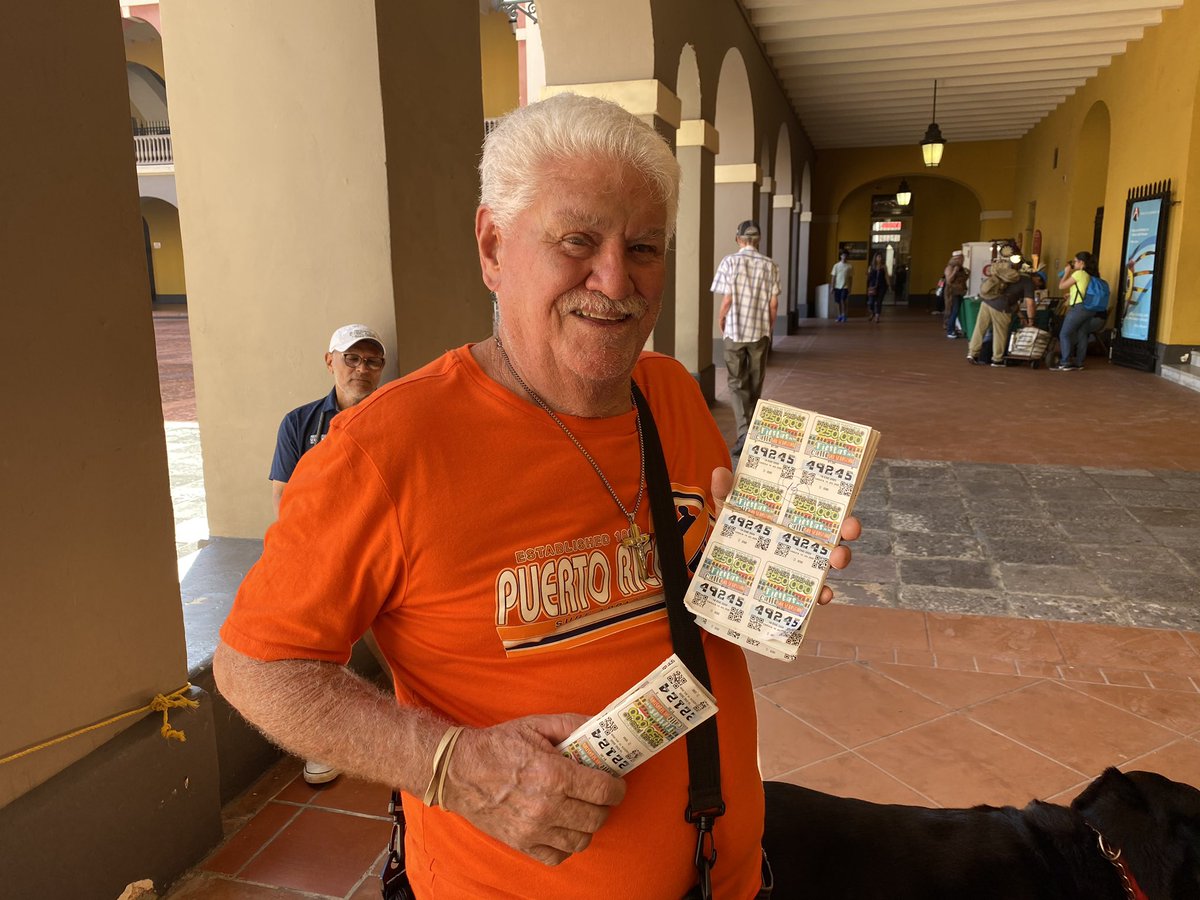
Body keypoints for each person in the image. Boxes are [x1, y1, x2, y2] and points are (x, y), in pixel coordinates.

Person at [214, 93, 859, 899]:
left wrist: (757, 576)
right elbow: (254, 665)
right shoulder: (385, 450)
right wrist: (446, 766)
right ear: (492, 245)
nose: (616, 281)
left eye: (645, 246)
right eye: (578, 241)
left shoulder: (670, 395)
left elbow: (680, 614)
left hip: (724, 877)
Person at [268, 322, 387, 784]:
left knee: (400, 632)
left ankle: (415, 705)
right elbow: (283, 498)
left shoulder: (393, 415)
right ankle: (322, 742)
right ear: (330, 361)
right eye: (352, 358)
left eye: (372, 360)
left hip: (380, 545)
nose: (361, 368)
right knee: (315, 642)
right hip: (319, 549)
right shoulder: (300, 423)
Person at [712, 219, 780, 456]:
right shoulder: (770, 265)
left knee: (735, 381)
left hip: (735, 330)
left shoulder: (730, 262)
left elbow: (728, 299)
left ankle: (744, 432)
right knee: (755, 380)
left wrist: (721, 320)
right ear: (758, 240)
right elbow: (773, 304)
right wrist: (768, 328)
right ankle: (751, 428)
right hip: (759, 331)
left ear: (738, 239)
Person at [967, 255, 1035, 367]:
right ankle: (997, 359)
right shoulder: (1027, 282)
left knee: (980, 328)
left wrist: (1020, 315)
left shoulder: (1008, 275)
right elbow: (1030, 303)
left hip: (987, 301)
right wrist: (1031, 320)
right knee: (1000, 332)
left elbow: (1012, 299)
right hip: (1001, 306)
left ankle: (972, 353)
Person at [1053, 250, 1103, 371]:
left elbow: (1061, 286)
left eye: (1075, 261)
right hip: (1089, 309)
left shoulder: (1079, 274)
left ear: (1081, 262)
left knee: (1064, 333)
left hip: (1078, 308)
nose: (1073, 264)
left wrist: (1066, 273)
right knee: (1082, 335)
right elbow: (1084, 291)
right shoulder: (1091, 275)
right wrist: (1070, 295)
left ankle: (1065, 362)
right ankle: (1079, 362)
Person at [943, 250, 968, 339]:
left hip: (960, 291)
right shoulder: (950, 268)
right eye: (961, 258)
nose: (962, 260)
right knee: (953, 311)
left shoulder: (961, 269)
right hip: (952, 292)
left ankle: (954, 328)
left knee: (957, 312)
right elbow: (949, 280)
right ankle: (950, 330)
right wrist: (955, 271)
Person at [830, 249, 853, 323]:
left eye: (846, 255)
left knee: (843, 300)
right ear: (840, 256)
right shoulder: (836, 266)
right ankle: (839, 315)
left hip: (845, 287)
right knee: (838, 302)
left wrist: (850, 287)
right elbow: (833, 277)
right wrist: (832, 287)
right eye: (843, 255)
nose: (844, 257)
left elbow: (850, 278)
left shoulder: (849, 266)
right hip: (837, 286)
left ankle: (844, 315)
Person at [865, 252, 888, 323]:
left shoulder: (884, 267)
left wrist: (889, 285)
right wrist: (867, 275)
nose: (879, 258)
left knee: (879, 301)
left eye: (880, 257)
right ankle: (872, 313)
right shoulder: (871, 267)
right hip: (872, 286)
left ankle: (877, 316)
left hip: (882, 286)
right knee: (871, 302)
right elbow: (868, 278)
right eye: (878, 257)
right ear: (875, 258)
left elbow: (886, 276)